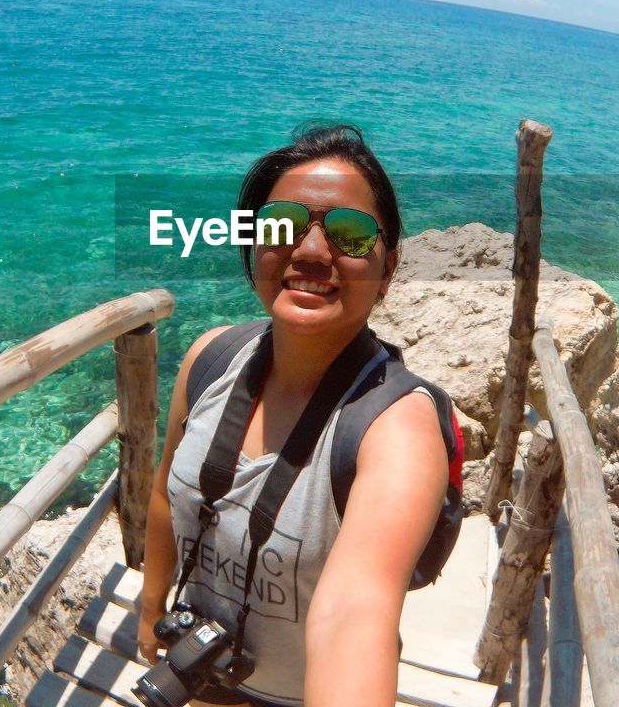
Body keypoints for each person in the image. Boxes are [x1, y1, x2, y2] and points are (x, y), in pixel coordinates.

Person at [137, 124, 451, 707]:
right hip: (196, 667)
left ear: (388, 268)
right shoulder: (210, 359)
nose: (310, 252)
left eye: (351, 234)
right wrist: (151, 602)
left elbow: (356, 609)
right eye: (281, 225)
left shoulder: (398, 429)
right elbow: (164, 496)